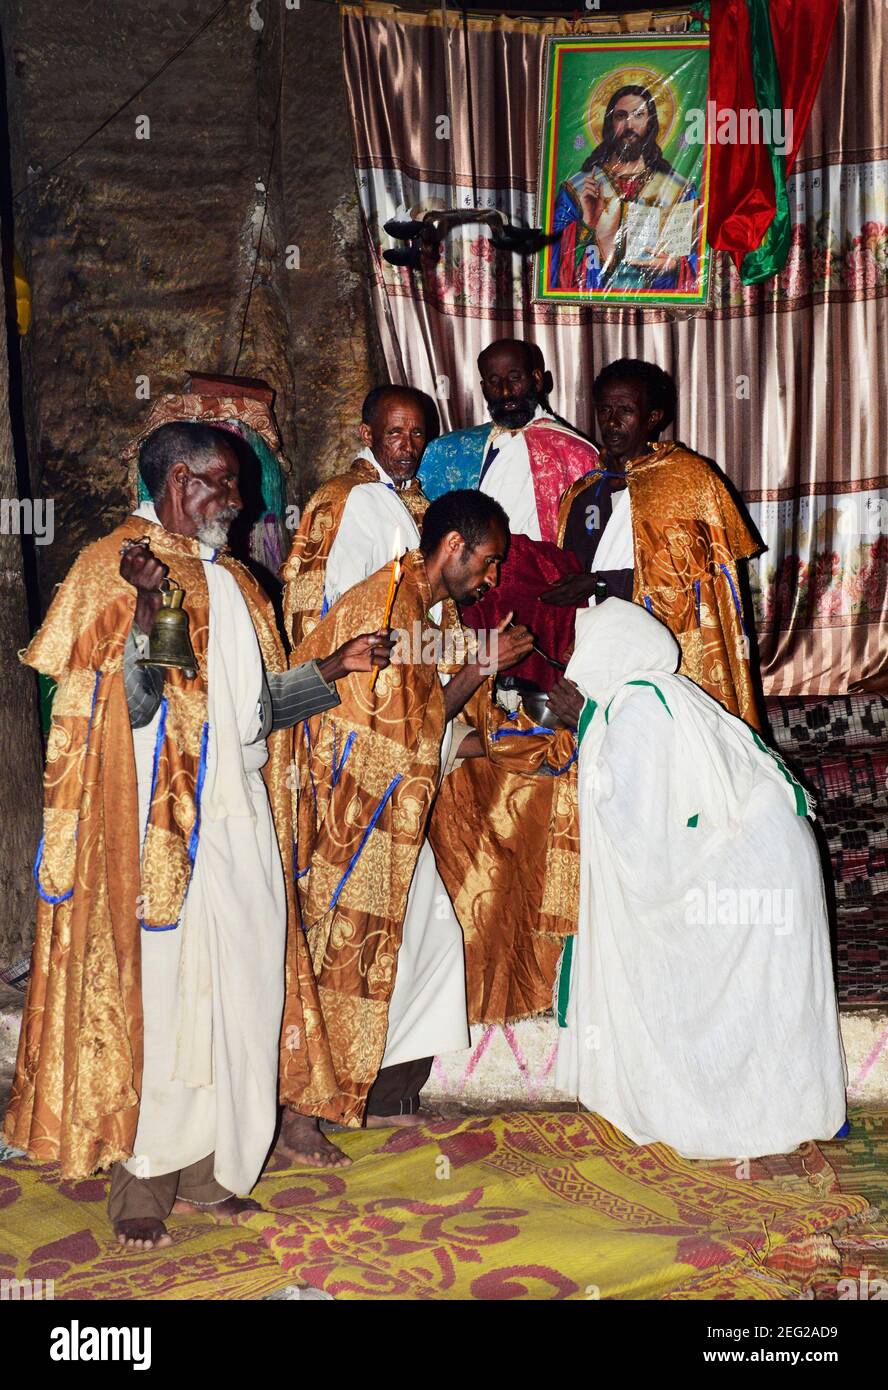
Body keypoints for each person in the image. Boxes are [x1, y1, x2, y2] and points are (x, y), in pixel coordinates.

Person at [4, 420, 390, 1249]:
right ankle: (142, 1175)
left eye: (236, 484)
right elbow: (126, 716)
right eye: (221, 483)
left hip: (241, 820)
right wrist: (147, 607)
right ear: (176, 481)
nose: (239, 501)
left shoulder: (239, 585)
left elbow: (250, 716)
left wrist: (334, 669)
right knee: (166, 992)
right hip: (153, 831)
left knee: (243, 984)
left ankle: (215, 1165)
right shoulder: (111, 568)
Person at [277, 491, 534, 1160]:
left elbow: (419, 720)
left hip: (392, 811)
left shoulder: (416, 608)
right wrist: (481, 669)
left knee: (429, 943)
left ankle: (382, 1092)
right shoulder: (383, 605)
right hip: (351, 820)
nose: (492, 577)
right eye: (488, 561)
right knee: (338, 960)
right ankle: (297, 1120)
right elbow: (380, 730)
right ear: (453, 548)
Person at [555, 598, 848, 1158]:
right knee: (773, 1001)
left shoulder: (635, 709)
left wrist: (582, 722)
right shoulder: (658, 694)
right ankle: (802, 1110)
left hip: (750, 870)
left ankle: (729, 1121)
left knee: (716, 990)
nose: (570, 662)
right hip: (766, 863)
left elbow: (641, 840)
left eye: (579, 648)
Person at [549, 358, 762, 727]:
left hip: (667, 652)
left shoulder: (690, 481)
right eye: (605, 409)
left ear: (653, 418)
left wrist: (601, 582)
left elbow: (693, 589)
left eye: (626, 411)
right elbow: (570, 573)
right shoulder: (581, 495)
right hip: (596, 652)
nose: (612, 421)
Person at [281, 385, 430, 648]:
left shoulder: (418, 501)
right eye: (395, 432)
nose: (408, 447)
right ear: (367, 434)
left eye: (416, 433)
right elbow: (337, 600)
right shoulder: (346, 497)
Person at [551, 84, 699, 294]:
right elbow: (552, 261)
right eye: (621, 116)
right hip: (593, 310)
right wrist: (586, 224)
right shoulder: (578, 189)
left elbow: (696, 256)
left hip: (655, 309)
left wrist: (674, 265)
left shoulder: (678, 190)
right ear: (610, 124)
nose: (629, 125)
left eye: (639, 115)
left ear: (651, 123)